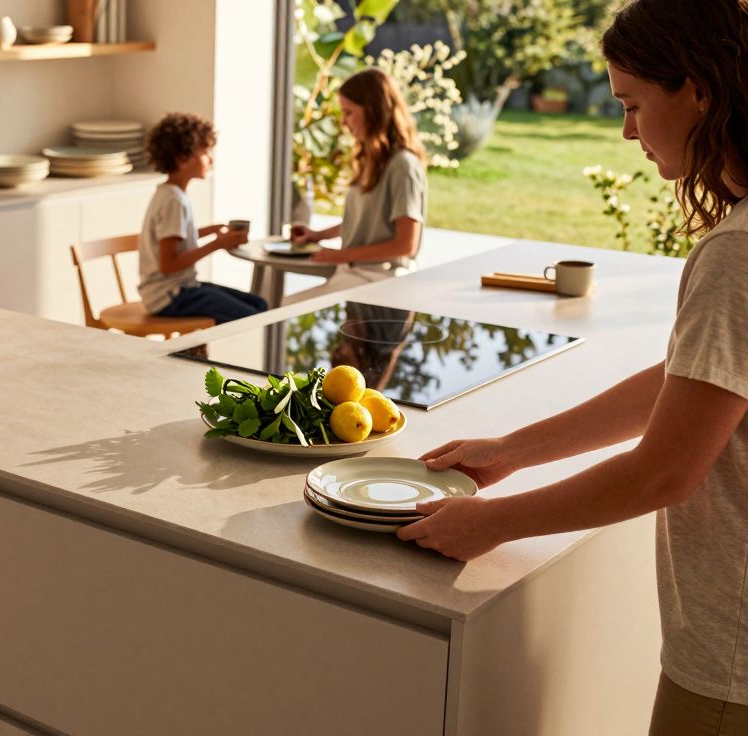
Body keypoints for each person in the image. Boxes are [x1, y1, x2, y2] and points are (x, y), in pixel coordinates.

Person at [394, 1, 748, 732]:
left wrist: (488, 524)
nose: (626, 131)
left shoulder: (735, 254)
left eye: (632, 104)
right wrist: (512, 451)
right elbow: (690, 382)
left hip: (732, 665)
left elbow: (664, 473)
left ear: (700, 91)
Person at [287, 67, 428, 300]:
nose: (344, 123)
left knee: (280, 313)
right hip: (353, 275)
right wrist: (317, 235)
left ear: (373, 112)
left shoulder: (403, 166)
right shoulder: (371, 160)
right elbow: (367, 221)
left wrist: (342, 255)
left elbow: (405, 245)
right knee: (277, 312)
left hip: (380, 283)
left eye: (349, 113)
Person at [138, 112, 267, 324]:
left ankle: (196, 349)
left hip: (179, 289)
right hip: (170, 296)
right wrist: (217, 244)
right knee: (253, 316)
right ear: (182, 159)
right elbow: (168, 264)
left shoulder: (171, 193)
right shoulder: (174, 201)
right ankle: (196, 350)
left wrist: (208, 232)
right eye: (205, 152)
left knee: (259, 305)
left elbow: (172, 242)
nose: (211, 159)